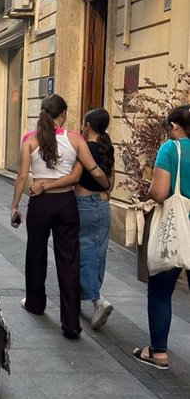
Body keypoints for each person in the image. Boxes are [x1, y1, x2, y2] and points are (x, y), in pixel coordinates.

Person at [10, 94, 109, 339]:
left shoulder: (30, 141)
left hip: (40, 204)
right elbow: (92, 169)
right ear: (62, 114)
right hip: (66, 203)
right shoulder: (75, 139)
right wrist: (105, 182)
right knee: (69, 261)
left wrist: (14, 207)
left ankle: (35, 303)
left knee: (36, 253)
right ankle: (71, 323)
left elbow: (22, 177)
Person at [32, 108, 116, 330]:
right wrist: (107, 188)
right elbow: (110, 179)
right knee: (98, 253)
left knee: (81, 253)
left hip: (84, 205)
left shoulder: (83, 147)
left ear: (88, 125)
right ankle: (81, 299)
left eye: (83, 123)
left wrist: (45, 185)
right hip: (103, 204)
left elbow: (76, 176)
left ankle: (97, 300)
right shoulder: (108, 147)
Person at [133, 105, 190, 370]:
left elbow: (160, 192)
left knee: (160, 291)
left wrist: (147, 192)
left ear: (175, 126)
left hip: (176, 229)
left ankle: (158, 353)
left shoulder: (171, 149)